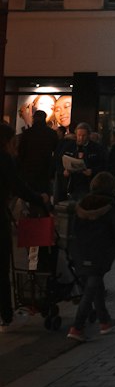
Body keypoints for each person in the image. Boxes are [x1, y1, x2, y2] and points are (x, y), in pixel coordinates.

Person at [0, 122, 50, 332]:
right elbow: (19, 187)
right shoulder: (5, 159)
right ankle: (5, 317)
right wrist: (40, 199)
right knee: (2, 268)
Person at [66, 171, 115, 342]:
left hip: (79, 252)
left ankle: (105, 321)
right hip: (100, 253)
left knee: (95, 284)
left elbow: (73, 230)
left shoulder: (81, 204)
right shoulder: (111, 207)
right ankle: (77, 327)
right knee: (91, 288)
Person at [16, 108, 60, 194]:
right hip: (45, 168)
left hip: (29, 168)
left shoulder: (27, 133)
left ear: (34, 118)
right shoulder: (51, 133)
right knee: (43, 192)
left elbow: (21, 152)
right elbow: (56, 152)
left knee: (30, 192)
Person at [62, 122, 106, 201]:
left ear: (89, 135)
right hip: (73, 184)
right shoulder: (70, 147)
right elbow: (62, 160)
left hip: (90, 185)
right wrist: (64, 171)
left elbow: (104, 165)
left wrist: (92, 171)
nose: (81, 138)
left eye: (83, 136)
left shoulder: (97, 148)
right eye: (79, 135)